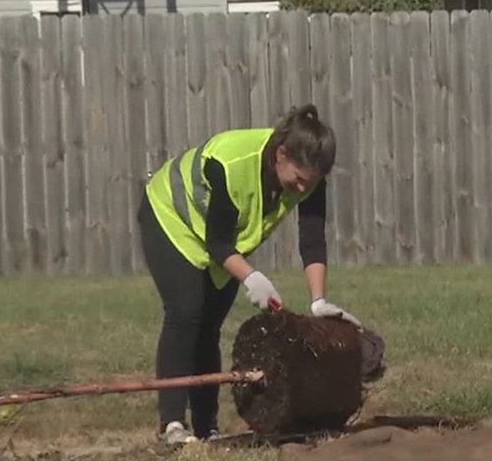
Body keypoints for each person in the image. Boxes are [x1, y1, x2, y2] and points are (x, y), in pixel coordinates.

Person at [137, 104, 362, 445]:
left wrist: (319, 302)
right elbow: (217, 241)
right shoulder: (229, 164)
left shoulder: (310, 179)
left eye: (311, 182)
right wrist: (250, 277)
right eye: (299, 179)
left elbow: (313, 241)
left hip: (221, 242)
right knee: (186, 312)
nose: (302, 190)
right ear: (281, 154)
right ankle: (171, 426)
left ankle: (206, 427)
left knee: (210, 324)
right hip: (171, 218)